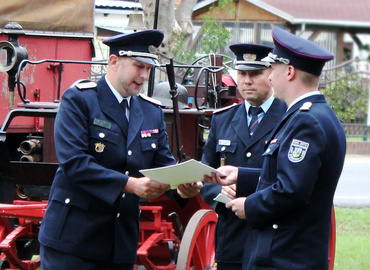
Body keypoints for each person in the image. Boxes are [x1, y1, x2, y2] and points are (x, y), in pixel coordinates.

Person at [38, 30, 195, 270]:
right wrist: (130, 185)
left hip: (120, 244)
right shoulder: (80, 100)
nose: (143, 76)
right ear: (114, 62)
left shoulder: (151, 111)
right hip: (74, 241)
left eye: (149, 69)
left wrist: (184, 187)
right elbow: (75, 163)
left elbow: (164, 164)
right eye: (138, 66)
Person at [205, 26, 347, 270]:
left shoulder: (305, 120)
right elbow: (295, 176)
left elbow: (292, 189)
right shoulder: (320, 114)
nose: (270, 77)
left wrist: (248, 205)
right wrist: (242, 175)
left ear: (289, 71)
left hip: (286, 255)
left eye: (274, 69)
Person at [200, 44, 286, 270]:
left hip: (272, 237)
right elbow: (203, 171)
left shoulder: (289, 118)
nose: (247, 81)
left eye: (255, 73)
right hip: (232, 238)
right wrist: (218, 192)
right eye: (242, 73)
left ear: (271, 75)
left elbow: (291, 178)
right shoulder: (223, 120)